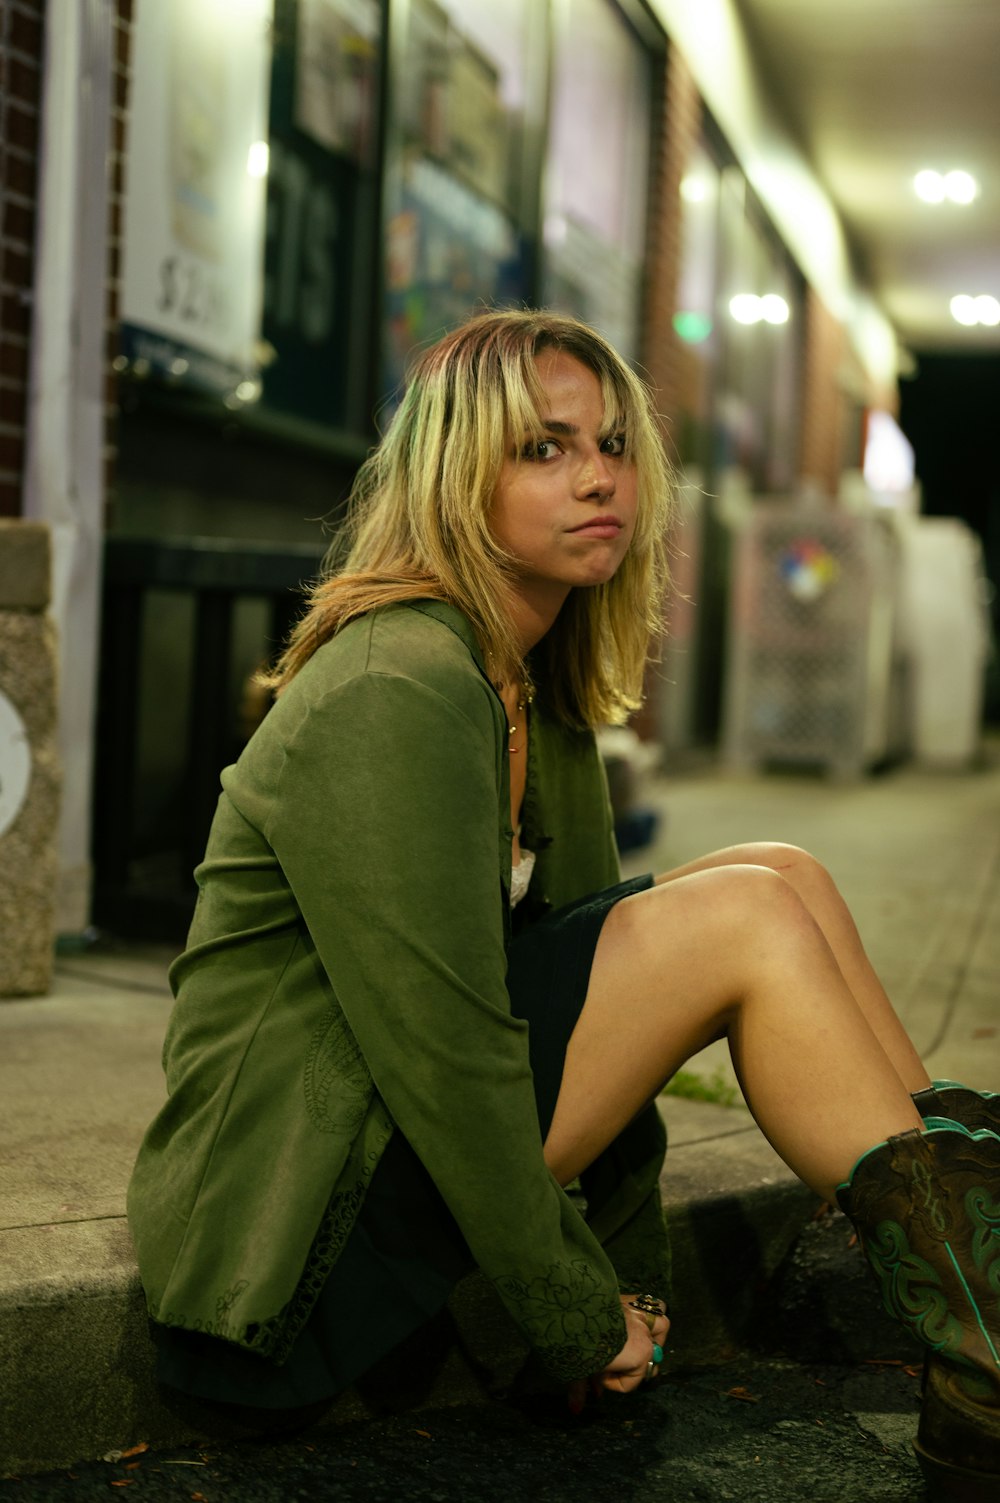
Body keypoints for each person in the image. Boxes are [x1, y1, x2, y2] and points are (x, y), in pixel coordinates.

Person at [128, 309, 999, 1498]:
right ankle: (984, 1339)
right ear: (454, 472)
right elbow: (446, 1052)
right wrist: (574, 1313)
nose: (600, 477)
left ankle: (981, 1335)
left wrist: (627, 1276)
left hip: (404, 1152)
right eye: (544, 448)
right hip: (300, 1234)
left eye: (613, 445)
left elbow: (600, 1000)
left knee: (784, 874)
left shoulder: (523, 681)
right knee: (744, 915)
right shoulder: (399, 680)